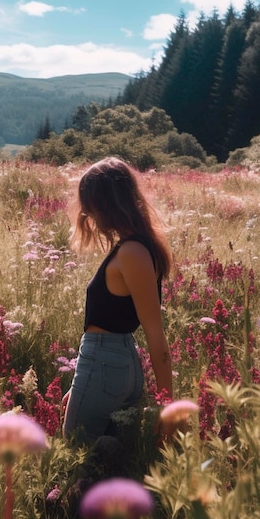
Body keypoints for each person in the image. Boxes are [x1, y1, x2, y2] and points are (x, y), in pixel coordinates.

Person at [62, 157, 173, 445]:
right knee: (112, 449)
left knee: (77, 451)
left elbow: (155, 332)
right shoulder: (140, 246)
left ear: (107, 205)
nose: (91, 219)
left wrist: (167, 406)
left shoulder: (131, 252)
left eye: (92, 210)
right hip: (119, 364)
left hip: (104, 363)